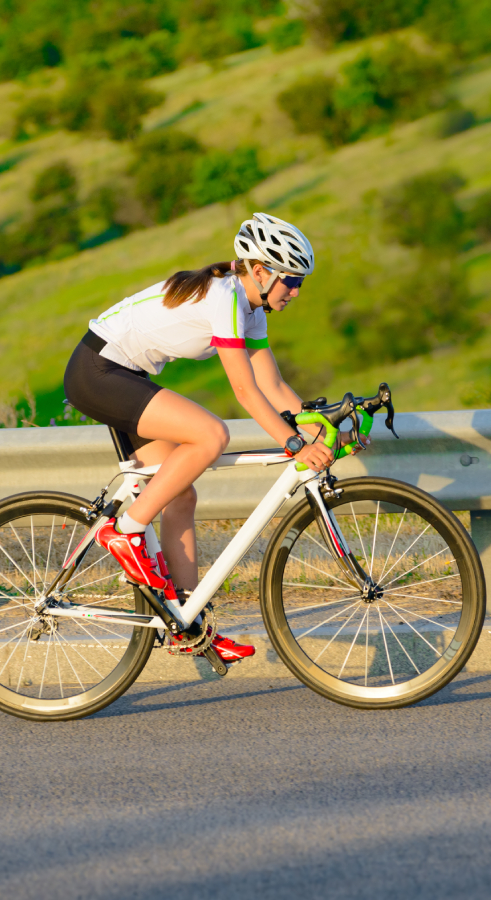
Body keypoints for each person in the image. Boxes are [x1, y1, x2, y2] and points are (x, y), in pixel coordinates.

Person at [63, 213, 348, 663]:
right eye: (291, 280)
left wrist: (321, 431)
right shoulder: (224, 297)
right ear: (261, 271)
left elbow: (273, 387)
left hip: (124, 373)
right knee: (211, 435)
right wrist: (294, 445)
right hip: (98, 370)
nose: (295, 292)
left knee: (180, 495)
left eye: (301, 283)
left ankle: (188, 623)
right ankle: (126, 531)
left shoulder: (252, 308)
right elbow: (244, 390)